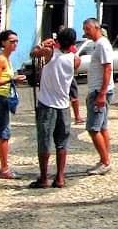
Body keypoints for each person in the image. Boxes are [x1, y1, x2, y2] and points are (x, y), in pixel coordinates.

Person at [28, 28, 80, 188]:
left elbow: (33, 53)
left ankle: (44, 178)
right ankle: (60, 177)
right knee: (62, 142)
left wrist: (43, 43)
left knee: (44, 140)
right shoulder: (75, 60)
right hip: (64, 105)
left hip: (46, 103)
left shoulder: (50, 53)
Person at [0, 29, 26, 179]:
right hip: (0, 99)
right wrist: (12, 79)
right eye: (12, 41)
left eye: (16, 41)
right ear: (4, 43)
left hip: (3, 98)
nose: (15, 44)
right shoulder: (1, 59)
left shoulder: (7, 59)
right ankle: (4, 169)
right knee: (3, 135)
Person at [82, 17, 113, 175]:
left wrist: (101, 93)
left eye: (87, 29)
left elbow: (108, 69)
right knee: (102, 127)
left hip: (100, 92)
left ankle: (105, 161)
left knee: (93, 128)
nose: (85, 32)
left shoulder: (102, 44)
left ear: (96, 27)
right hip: (97, 90)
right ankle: (104, 159)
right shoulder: (97, 45)